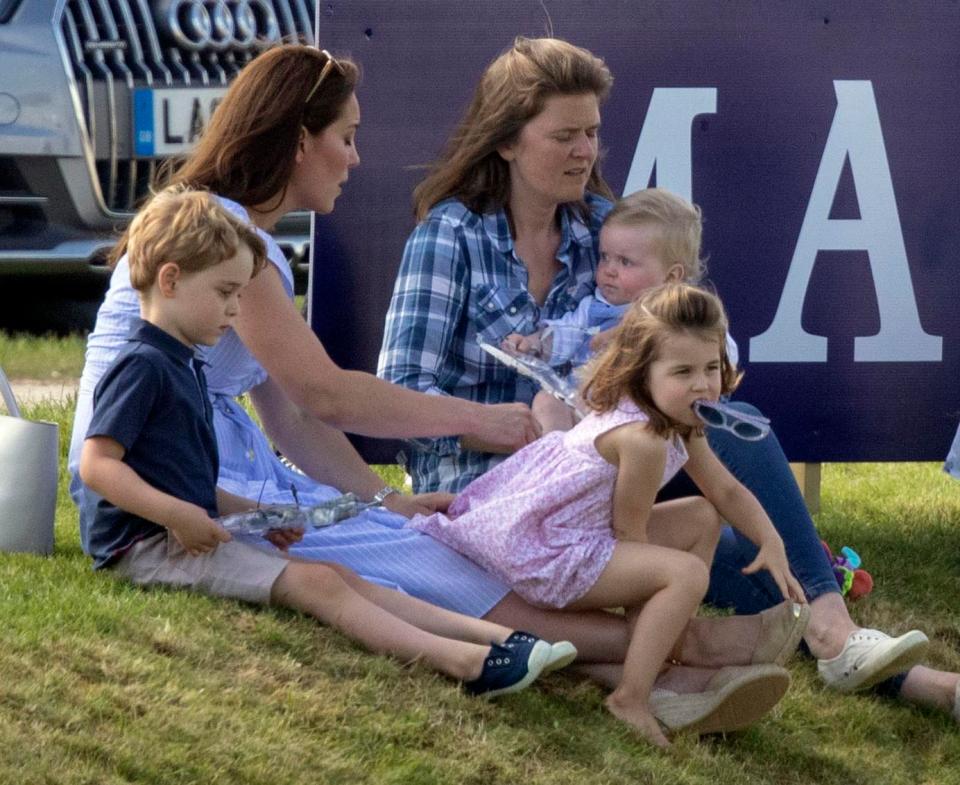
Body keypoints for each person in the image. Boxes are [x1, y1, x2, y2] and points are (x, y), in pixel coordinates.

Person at [68, 43, 805, 732]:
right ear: (299, 139)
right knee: (425, 564)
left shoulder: (227, 236)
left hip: (217, 465)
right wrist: (481, 421)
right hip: (175, 473)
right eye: (346, 137)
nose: (356, 158)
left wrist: (380, 498)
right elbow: (326, 394)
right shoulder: (227, 239)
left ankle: (662, 655)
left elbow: (291, 413)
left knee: (405, 536)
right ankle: (685, 650)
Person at [378, 36, 960, 718]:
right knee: (717, 546)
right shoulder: (450, 236)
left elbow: (695, 340)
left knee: (721, 432)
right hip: (499, 501)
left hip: (596, 484)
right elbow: (401, 398)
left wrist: (661, 375)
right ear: (505, 141)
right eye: (564, 135)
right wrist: (506, 429)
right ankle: (827, 659)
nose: (584, 152)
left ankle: (836, 631)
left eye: (592, 133)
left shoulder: (605, 225)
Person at [79, 185, 571, 698]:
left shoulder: (186, 367)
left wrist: (258, 515)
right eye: (225, 293)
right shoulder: (142, 365)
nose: (234, 310)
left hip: (175, 530)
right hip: (144, 546)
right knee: (318, 584)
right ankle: (472, 665)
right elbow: (98, 466)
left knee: (334, 572)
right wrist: (175, 516)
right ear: (171, 280)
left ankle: (506, 641)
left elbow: (183, 475)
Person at [413, 284, 804, 745]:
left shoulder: (678, 417)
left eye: (711, 367)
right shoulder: (643, 440)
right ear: (643, 371)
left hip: (575, 532)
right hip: (549, 554)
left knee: (701, 514)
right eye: (683, 371)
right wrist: (657, 588)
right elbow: (631, 537)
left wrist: (771, 540)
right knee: (681, 576)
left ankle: (671, 645)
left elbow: (724, 489)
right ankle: (633, 695)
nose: (702, 384)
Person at [501, 188, 726, 432]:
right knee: (546, 402)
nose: (609, 269)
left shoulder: (682, 317)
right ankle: (559, 463)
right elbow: (569, 332)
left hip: (642, 413)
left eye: (625, 261)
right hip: (587, 407)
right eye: (605, 257)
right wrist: (535, 344)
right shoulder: (595, 307)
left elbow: (723, 353)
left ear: (671, 277)